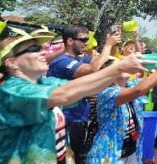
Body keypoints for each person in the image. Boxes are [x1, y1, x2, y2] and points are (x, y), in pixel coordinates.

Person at [0, 34, 147, 163]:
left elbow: (86, 87)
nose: (42, 52)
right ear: (11, 63)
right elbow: (65, 94)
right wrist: (119, 66)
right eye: (33, 48)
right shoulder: (9, 92)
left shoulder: (45, 83)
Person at [85, 51, 157, 163]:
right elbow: (138, 90)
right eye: (121, 65)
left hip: (132, 151)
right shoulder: (106, 93)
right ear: (110, 72)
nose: (125, 66)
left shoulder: (130, 84)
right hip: (110, 155)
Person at [47, 25, 120, 164]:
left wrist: (112, 44)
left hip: (79, 118)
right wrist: (107, 45)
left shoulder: (79, 59)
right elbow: (93, 69)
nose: (86, 43)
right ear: (69, 41)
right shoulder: (61, 61)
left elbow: (103, 61)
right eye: (83, 39)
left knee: (78, 156)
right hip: (67, 120)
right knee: (70, 158)